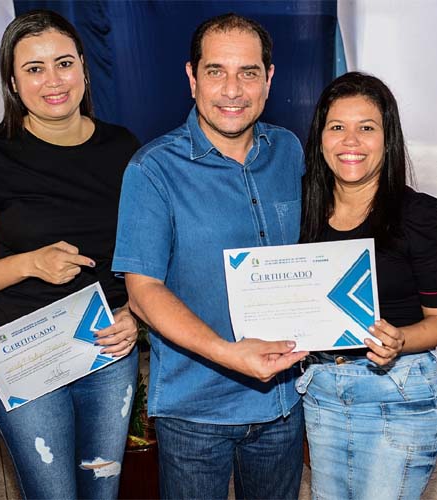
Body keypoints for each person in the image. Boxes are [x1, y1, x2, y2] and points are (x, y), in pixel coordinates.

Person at [112, 13, 307, 500]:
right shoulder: (153, 169)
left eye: (248, 72)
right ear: (191, 77)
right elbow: (143, 289)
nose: (233, 90)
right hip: (195, 409)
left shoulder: (290, 151)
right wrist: (227, 354)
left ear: (269, 79)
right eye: (216, 71)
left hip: (284, 402)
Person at [0, 10, 140, 499]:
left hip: (107, 347)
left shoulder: (123, 148)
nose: (53, 81)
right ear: (13, 82)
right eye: (34, 68)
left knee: (101, 490)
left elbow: (150, 255)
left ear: (84, 69)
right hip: (23, 350)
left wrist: (136, 313)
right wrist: (30, 263)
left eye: (64, 63)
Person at [297, 72, 437, 499]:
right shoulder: (298, 213)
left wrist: (401, 339)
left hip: (400, 393)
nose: (351, 141)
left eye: (367, 128)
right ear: (320, 138)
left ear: (388, 139)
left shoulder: (419, 215)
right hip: (323, 393)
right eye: (337, 127)